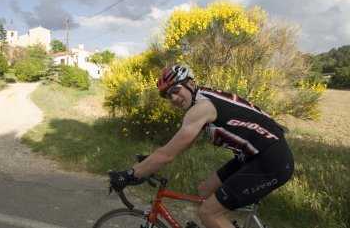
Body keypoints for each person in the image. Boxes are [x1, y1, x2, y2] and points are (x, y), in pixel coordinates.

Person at [110, 65, 294, 228]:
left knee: (207, 213)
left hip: (270, 160)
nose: (173, 98)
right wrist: (149, 163)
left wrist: (130, 174)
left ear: (190, 84)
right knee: (204, 190)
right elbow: (180, 145)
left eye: (176, 89)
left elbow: (168, 155)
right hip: (251, 156)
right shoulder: (202, 99)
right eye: (168, 96)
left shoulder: (201, 108)